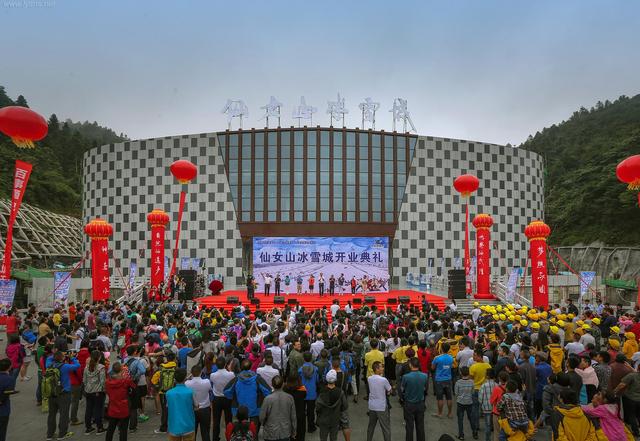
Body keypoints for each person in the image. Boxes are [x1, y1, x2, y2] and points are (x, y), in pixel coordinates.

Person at [44, 350, 80, 440]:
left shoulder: (49, 365)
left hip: (52, 393)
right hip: (64, 393)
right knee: (64, 414)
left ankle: (50, 434)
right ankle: (62, 433)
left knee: (52, 414)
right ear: (62, 358)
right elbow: (77, 366)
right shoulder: (65, 366)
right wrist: (72, 358)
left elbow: (48, 358)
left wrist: (56, 355)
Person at [224, 359, 272, 425]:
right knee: (254, 430)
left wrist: (233, 397)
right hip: (255, 410)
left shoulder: (236, 379)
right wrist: (261, 398)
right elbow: (268, 391)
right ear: (251, 366)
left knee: (239, 430)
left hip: (239, 410)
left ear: (241, 367)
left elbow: (226, 391)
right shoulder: (257, 378)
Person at [105, 361, 136, 441]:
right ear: (122, 370)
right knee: (123, 430)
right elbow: (134, 388)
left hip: (112, 408)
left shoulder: (108, 382)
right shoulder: (125, 381)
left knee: (110, 429)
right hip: (123, 408)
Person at [259, 375, 297, 441]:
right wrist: (294, 431)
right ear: (283, 384)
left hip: (270, 432)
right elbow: (293, 417)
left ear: (272, 385)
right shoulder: (290, 398)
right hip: (285, 431)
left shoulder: (267, 399)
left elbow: (262, 417)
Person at [316, 370, 348, 441]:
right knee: (333, 438)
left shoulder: (322, 392)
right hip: (335, 420)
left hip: (324, 420)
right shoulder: (340, 392)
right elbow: (345, 406)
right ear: (335, 379)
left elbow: (317, 407)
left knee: (323, 438)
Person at [401, 357, 427, 441]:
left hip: (409, 404)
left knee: (409, 426)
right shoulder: (424, 376)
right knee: (420, 426)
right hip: (420, 403)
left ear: (410, 365)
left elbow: (402, 389)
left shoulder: (406, 377)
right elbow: (425, 389)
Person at [152, 350, 178, 434]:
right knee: (174, 409)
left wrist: (157, 386)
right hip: (174, 392)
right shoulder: (176, 368)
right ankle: (174, 426)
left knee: (165, 411)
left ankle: (163, 428)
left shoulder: (161, 368)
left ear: (167, 359)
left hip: (163, 393)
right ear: (174, 359)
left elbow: (153, 380)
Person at [211, 357, 235, 441]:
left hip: (217, 399)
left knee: (216, 420)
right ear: (225, 364)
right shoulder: (231, 374)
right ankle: (230, 437)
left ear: (216, 365)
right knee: (228, 420)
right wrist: (229, 369)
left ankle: (215, 438)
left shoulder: (213, 375)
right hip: (227, 398)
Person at [82, 350, 106, 435]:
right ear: (99, 357)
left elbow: (84, 380)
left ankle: (88, 427)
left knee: (89, 409)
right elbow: (102, 381)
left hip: (88, 391)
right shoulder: (101, 367)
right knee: (98, 409)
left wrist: (87, 387)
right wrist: (103, 389)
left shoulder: (86, 367)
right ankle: (99, 427)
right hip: (98, 391)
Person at [186, 365, 212, 441]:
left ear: (191, 373)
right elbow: (210, 390)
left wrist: (188, 377)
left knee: (192, 433)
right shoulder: (206, 381)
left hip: (192, 409)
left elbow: (185, 381)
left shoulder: (187, 383)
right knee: (205, 432)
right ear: (201, 372)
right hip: (205, 409)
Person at [366, 361, 391, 441]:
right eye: (381, 367)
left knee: (371, 426)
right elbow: (389, 390)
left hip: (372, 406)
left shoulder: (369, 378)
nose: (382, 368)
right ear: (377, 369)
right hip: (381, 406)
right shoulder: (384, 380)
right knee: (385, 427)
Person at [614, 363, 640, 437]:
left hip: (631, 398)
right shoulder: (634, 374)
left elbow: (622, 385)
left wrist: (614, 391)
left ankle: (636, 432)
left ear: (638, 368)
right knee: (639, 415)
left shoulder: (632, 376)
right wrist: (630, 367)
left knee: (631, 415)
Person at [432, 341, 454, 418]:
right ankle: (450, 413)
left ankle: (440, 413)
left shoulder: (437, 358)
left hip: (439, 379)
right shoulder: (451, 358)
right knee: (449, 397)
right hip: (448, 378)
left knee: (440, 398)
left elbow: (432, 368)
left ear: (441, 348)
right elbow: (451, 366)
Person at [299, 352, 319, 433]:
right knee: (311, 411)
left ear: (303, 359)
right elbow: (317, 380)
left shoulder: (300, 370)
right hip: (312, 392)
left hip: (302, 391)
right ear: (311, 358)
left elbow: (299, 381)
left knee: (302, 411)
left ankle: (302, 427)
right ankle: (311, 427)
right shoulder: (315, 369)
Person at [455, 366, 476, 440]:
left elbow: (456, 393)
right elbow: (473, 392)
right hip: (469, 402)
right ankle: (474, 433)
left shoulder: (458, 382)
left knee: (460, 419)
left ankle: (461, 435)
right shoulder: (472, 382)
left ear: (461, 373)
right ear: (468, 373)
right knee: (471, 418)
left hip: (460, 402)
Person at [0, 358, 18, 441]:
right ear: (9, 367)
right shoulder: (9, 379)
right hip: (3, 410)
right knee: (2, 432)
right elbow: (6, 394)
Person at [478, 368, 497, 441]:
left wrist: (481, 405)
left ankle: (488, 439)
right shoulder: (497, 385)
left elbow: (480, 398)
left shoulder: (484, 386)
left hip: (486, 408)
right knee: (495, 425)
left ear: (487, 376)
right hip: (495, 408)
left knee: (487, 425)